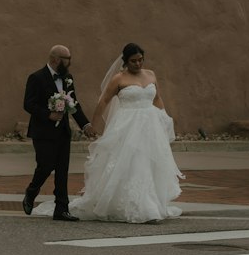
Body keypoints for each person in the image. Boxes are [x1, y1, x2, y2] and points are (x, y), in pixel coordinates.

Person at [66, 42, 183, 223]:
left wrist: (164, 118)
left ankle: (152, 202)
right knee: (133, 162)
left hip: (150, 125)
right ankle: (138, 205)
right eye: (133, 61)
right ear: (125, 61)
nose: (138, 64)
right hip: (127, 126)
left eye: (140, 60)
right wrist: (92, 125)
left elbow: (157, 98)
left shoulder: (151, 74)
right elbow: (103, 102)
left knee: (150, 161)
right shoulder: (119, 79)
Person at [22, 44, 95, 221]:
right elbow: (28, 104)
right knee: (45, 166)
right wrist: (49, 115)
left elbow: (74, 104)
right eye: (66, 59)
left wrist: (85, 125)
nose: (69, 62)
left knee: (62, 170)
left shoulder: (68, 78)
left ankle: (61, 209)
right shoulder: (36, 78)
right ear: (55, 59)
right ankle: (31, 192)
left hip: (62, 132)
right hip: (42, 132)